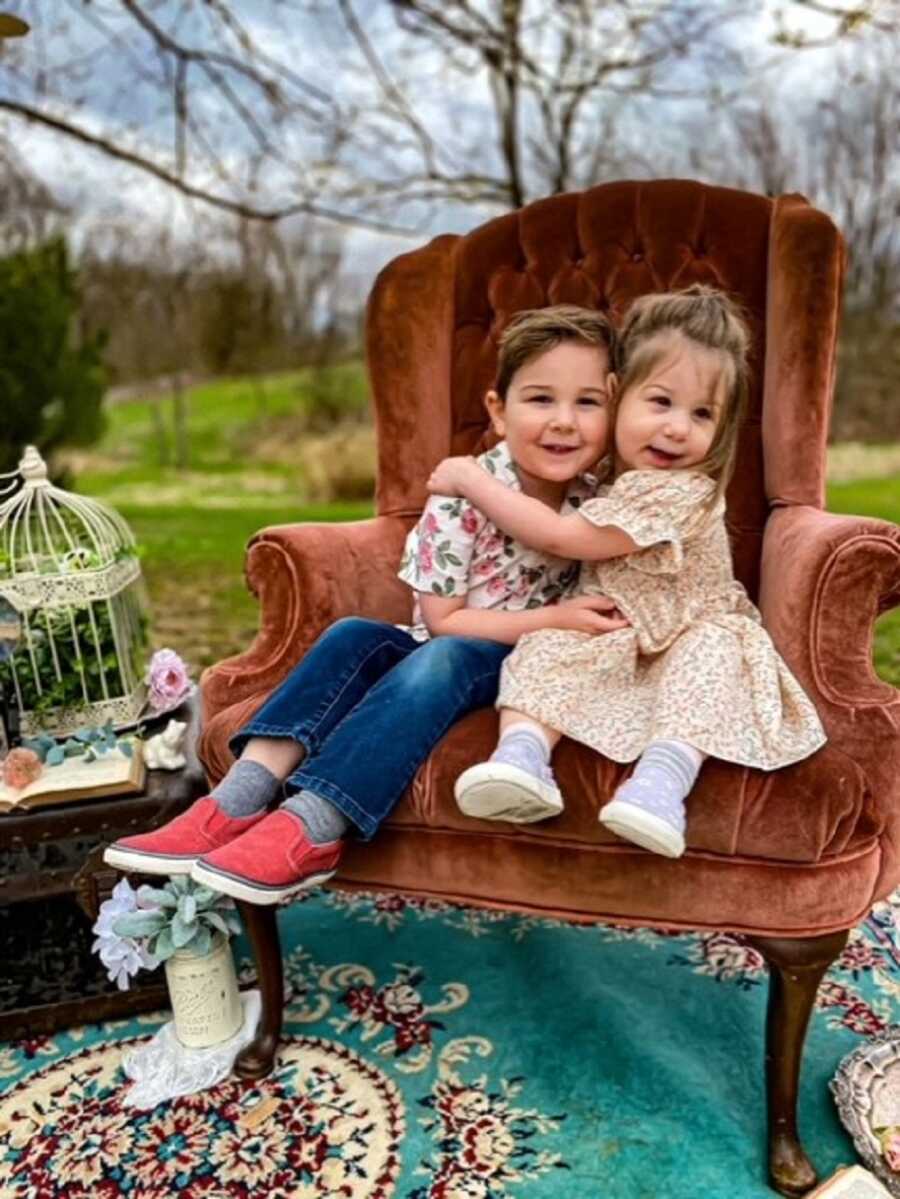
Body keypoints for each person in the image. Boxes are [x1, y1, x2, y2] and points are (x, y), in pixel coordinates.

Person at [104, 304, 628, 902]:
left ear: (613, 410)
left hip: (526, 666)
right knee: (355, 634)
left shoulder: (605, 501)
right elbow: (443, 619)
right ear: (497, 411)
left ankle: (314, 827)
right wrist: (557, 614)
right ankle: (236, 800)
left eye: (587, 402)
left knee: (445, 658)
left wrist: (560, 624)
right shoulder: (463, 490)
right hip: (452, 636)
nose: (564, 421)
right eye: (540, 399)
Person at [428, 285, 826, 859]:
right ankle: (521, 759)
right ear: (617, 398)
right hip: (619, 634)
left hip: (689, 633)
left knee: (708, 658)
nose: (677, 429)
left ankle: (660, 786)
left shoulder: (682, 492)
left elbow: (561, 536)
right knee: (546, 645)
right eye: (660, 402)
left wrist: (471, 479)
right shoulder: (607, 474)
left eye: (701, 414)